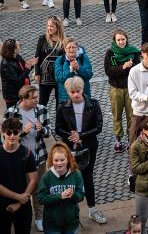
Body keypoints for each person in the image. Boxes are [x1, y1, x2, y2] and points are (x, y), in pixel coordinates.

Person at [54, 77, 107, 225]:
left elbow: (99, 126)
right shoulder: (62, 106)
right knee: (68, 178)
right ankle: (71, 212)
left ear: (83, 90)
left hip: (88, 145)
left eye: (78, 91)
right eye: (72, 92)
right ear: (68, 92)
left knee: (88, 176)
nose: (76, 94)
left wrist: (81, 136)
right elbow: (58, 128)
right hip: (69, 147)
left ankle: (92, 210)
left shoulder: (93, 104)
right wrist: (72, 136)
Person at [4, 85, 52, 232]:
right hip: (20, 160)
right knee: (21, 188)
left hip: (39, 157)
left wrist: (42, 129)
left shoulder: (42, 109)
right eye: (34, 98)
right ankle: (19, 217)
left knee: (39, 189)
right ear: (23, 99)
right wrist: (22, 133)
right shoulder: (12, 112)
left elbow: (49, 132)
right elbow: (4, 137)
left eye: (37, 97)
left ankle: (39, 217)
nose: (37, 100)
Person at [104, 29, 140, 153]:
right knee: (117, 115)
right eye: (118, 40)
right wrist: (123, 67)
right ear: (115, 40)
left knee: (132, 116)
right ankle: (118, 139)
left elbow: (138, 70)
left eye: (123, 39)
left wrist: (131, 68)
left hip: (131, 89)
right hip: (116, 88)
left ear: (126, 39)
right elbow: (109, 71)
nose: (121, 42)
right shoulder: (110, 53)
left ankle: (132, 140)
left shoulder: (134, 52)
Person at [36, 142, 85, 234]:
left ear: (68, 159)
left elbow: (81, 196)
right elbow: (41, 198)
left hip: (72, 223)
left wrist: (73, 194)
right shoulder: (46, 177)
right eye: (56, 160)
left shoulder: (76, 174)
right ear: (52, 160)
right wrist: (59, 196)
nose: (59, 163)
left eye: (62, 160)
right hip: (52, 225)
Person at [0, 117, 38, 233]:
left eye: (15, 132)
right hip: (2, 206)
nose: (12, 136)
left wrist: (19, 202)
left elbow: (33, 180)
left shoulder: (26, 153)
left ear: (20, 132)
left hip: (23, 206)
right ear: (3, 132)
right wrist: (19, 198)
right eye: (9, 132)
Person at [34, 15, 65, 106]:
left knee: (59, 102)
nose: (49, 28)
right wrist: (37, 73)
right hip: (45, 75)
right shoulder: (43, 38)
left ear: (58, 27)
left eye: (51, 26)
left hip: (58, 74)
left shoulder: (64, 40)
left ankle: (58, 120)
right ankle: (41, 120)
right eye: (48, 26)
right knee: (43, 102)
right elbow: (37, 57)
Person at [54, 37, 93, 102]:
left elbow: (89, 74)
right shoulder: (60, 60)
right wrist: (70, 70)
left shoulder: (83, 58)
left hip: (83, 96)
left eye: (73, 47)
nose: (71, 49)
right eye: (69, 47)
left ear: (77, 48)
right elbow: (59, 78)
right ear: (65, 49)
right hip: (66, 98)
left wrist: (79, 69)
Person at [0, 38, 31, 107]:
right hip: (13, 96)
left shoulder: (17, 56)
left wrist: (30, 65)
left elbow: (24, 67)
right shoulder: (6, 64)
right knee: (14, 116)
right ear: (14, 50)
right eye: (19, 45)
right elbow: (17, 80)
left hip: (20, 92)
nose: (20, 46)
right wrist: (27, 69)